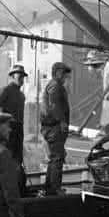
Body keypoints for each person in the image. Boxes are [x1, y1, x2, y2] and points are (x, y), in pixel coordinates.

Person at [0, 64, 27, 195]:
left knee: (17, 160)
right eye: (18, 75)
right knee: (7, 159)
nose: (21, 78)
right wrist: (1, 124)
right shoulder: (5, 90)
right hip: (8, 130)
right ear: (12, 76)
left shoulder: (21, 95)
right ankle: (5, 190)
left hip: (18, 131)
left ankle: (17, 189)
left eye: (23, 76)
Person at [40, 62, 71, 195]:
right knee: (57, 158)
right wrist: (62, 122)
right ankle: (54, 189)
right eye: (64, 74)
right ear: (58, 72)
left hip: (50, 127)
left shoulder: (52, 85)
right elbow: (54, 106)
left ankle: (49, 187)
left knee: (54, 158)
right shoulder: (56, 86)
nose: (66, 77)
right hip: (54, 128)